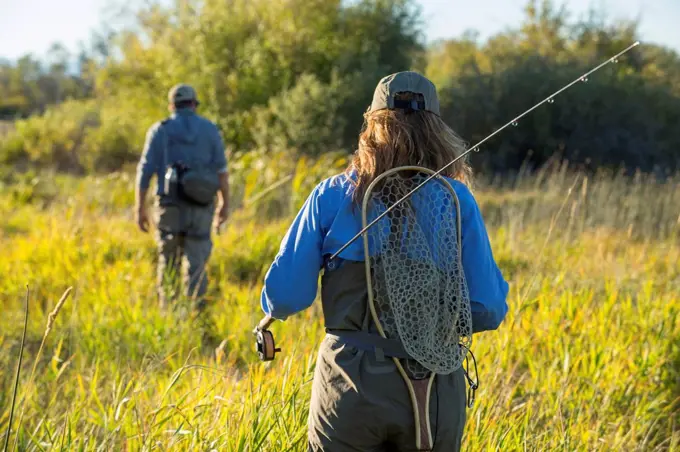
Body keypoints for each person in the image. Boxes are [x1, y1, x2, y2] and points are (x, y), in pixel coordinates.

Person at [257, 72, 509, 451]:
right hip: (436, 389)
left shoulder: (331, 194)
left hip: (351, 386)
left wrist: (268, 316)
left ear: (371, 126)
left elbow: (287, 295)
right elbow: (487, 309)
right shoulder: (456, 199)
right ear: (437, 130)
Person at [135, 83, 229, 312]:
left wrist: (140, 208)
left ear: (172, 105)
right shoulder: (210, 129)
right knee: (197, 266)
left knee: (169, 263)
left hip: (170, 208)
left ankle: (169, 316)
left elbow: (145, 171)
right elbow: (222, 171)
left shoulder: (160, 130)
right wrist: (225, 203)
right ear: (194, 104)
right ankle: (197, 317)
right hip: (201, 207)